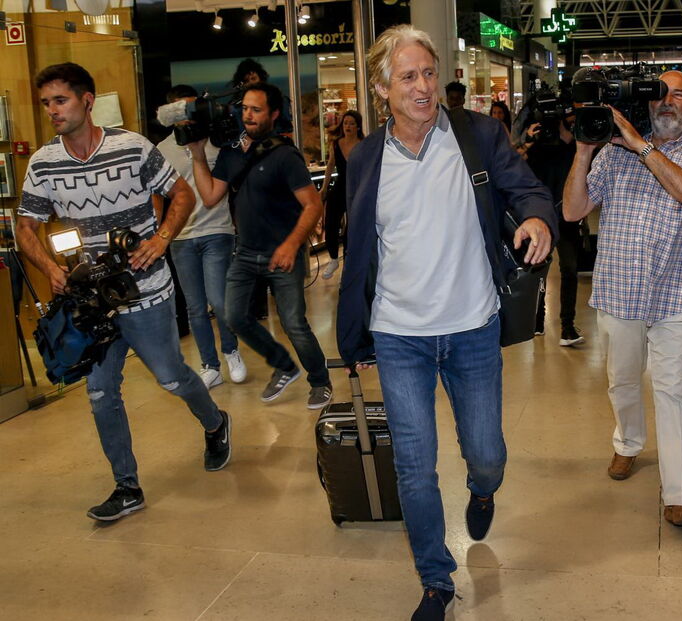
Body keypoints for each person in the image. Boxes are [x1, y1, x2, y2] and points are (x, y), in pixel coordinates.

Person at [337, 25, 556, 621]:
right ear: (383, 87)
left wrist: (536, 220)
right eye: (408, 76)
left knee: (486, 453)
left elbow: (529, 190)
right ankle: (436, 579)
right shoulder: (365, 157)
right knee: (414, 464)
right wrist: (353, 333)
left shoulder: (478, 135)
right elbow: (358, 248)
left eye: (429, 73)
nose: (423, 87)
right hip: (399, 333)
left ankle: (483, 488)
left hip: (472, 327)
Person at [15, 63, 232, 522]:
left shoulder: (131, 147)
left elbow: (182, 195)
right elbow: (26, 226)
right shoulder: (44, 163)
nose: (52, 110)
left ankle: (215, 423)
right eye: (47, 103)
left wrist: (161, 239)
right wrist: (50, 267)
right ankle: (126, 485)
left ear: (87, 100)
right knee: (100, 393)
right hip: (93, 301)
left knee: (171, 377)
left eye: (61, 100)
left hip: (147, 291)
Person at [563, 70, 682, 528]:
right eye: (661, 95)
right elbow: (573, 210)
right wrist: (583, 152)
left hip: (677, 291)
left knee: (672, 390)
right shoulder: (612, 156)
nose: (668, 103)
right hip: (618, 289)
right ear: (648, 103)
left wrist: (641, 146)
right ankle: (627, 443)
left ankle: (677, 493)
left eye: (679, 95)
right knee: (623, 381)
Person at [190, 82, 332, 409]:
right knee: (234, 316)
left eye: (256, 110)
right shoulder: (232, 153)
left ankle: (320, 380)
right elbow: (211, 196)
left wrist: (291, 245)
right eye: (245, 109)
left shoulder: (285, 155)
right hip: (245, 253)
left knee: (294, 322)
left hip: (284, 253)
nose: (248, 115)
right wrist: (197, 155)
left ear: (273, 114)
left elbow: (313, 205)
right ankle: (283, 365)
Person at [157, 84, 247, 389]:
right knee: (195, 307)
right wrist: (161, 234)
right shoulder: (162, 151)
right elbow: (157, 196)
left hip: (217, 231)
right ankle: (210, 365)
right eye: (182, 110)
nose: (188, 116)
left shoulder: (217, 143)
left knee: (220, 302)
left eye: (193, 108)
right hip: (181, 238)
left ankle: (231, 351)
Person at [521, 112, 586, 346]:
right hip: (544, 219)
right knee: (543, 270)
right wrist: (527, 142)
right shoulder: (536, 150)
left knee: (568, 269)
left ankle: (566, 326)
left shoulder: (573, 151)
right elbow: (513, 165)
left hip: (565, 217)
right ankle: (538, 321)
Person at [319, 110, 364, 280]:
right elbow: (330, 165)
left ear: (358, 126)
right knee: (330, 223)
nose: (348, 126)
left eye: (352, 123)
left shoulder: (362, 144)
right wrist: (324, 188)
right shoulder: (336, 144)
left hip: (357, 188)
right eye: (345, 123)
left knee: (351, 229)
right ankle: (333, 257)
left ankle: (348, 266)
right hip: (339, 187)